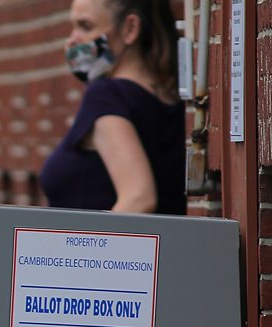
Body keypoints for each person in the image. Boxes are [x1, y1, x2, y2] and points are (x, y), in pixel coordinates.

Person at [39, 0, 186, 214]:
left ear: (130, 28)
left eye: (86, 26)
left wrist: (93, 238)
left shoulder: (106, 96)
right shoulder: (173, 100)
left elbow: (138, 198)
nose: (72, 40)